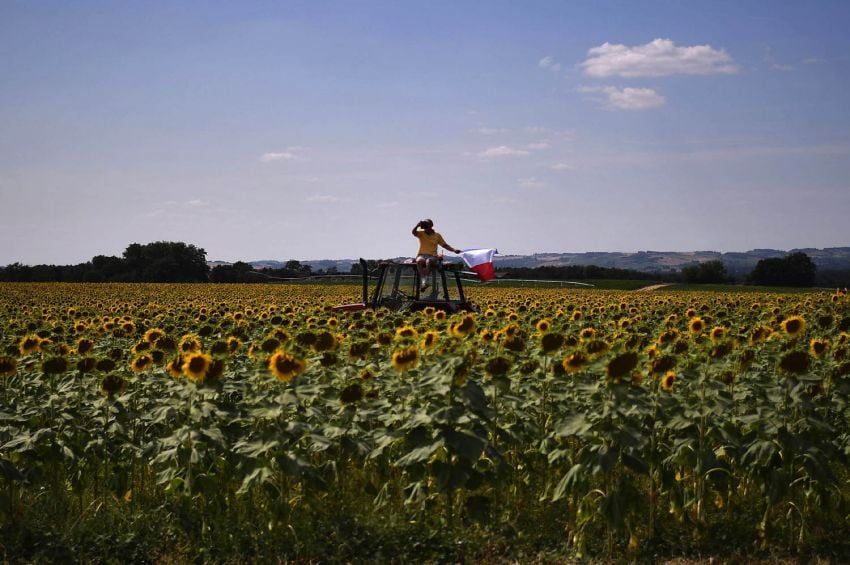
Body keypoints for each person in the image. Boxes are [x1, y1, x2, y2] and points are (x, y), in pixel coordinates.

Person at [411, 219, 461, 291]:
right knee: (419, 261)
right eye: (424, 226)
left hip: (432, 256)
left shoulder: (437, 235)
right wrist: (417, 225)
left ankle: (426, 280)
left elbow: (445, 245)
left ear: (431, 226)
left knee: (428, 261)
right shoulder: (421, 233)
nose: (425, 227)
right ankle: (424, 282)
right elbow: (413, 232)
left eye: (426, 225)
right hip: (421, 254)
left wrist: (454, 250)